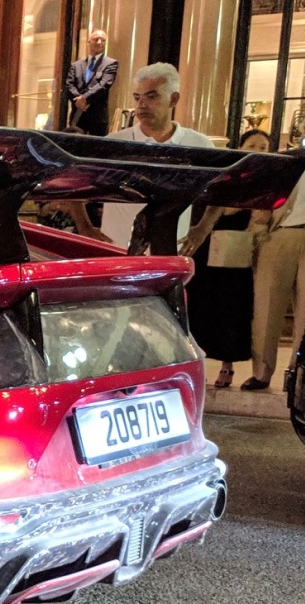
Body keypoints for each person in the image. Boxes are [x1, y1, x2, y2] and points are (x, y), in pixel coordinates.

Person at [70, 63, 213, 247]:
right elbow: (74, 183)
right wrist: (85, 228)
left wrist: (203, 228)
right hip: (117, 252)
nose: (142, 104)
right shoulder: (114, 144)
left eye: (151, 96)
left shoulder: (199, 144)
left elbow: (225, 189)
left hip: (170, 253)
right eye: (138, 98)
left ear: (173, 99)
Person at [180, 128, 272, 388]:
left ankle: (227, 365)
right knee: (199, 305)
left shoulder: (265, 182)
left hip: (236, 253)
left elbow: (259, 217)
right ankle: (197, 362)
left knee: (232, 308)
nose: (257, 150)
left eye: (263, 147)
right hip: (205, 247)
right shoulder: (220, 175)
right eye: (252, 145)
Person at [243, 105, 305, 391]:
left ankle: (297, 374)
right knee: (266, 307)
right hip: (280, 237)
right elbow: (264, 199)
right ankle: (261, 373)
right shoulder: (287, 161)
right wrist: (258, 232)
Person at [64, 28, 119, 136]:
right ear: (89, 41)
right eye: (96, 39)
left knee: (96, 150)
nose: (99, 42)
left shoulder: (111, 64)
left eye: (102, 40)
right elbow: (69, 85)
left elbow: (104, 84)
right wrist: (79, 100)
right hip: (78, 116)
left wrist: (85, 98)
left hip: (97, 118)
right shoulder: (76, 65)